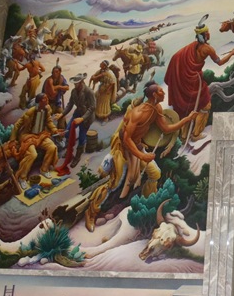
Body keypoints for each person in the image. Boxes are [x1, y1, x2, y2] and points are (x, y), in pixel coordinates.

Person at [84, 81, 197, 231]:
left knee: (155, 173)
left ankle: (146, 204)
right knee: (114, 184)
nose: (164, 93)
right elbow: (126, 138)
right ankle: (91, 213)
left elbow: (165, 128)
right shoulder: (138, 113)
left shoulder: (156, 108)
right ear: (154, 95)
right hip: (123, 150)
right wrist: (142, 156)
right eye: (161, 91)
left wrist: (186, 119)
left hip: (137, 147)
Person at [165, 16, 234, 142]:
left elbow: (176, 57)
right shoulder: (207, 48)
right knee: (206, 105)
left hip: (183, 81)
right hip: (194, 82)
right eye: (207, 32)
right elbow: (220, 62)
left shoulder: (192, 46)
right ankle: (195, 134)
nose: (209, 34)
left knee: (186, 108)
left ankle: (184, 136)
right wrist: (232, 53)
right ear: (205, 35)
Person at [10, 93, 61, 189]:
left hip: (40, 135)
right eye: (45, 99)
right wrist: (12, 140)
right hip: (28, 136)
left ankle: (44, 169)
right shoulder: (30, 112)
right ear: (40, 101)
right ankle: (22, 177)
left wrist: (55, 130)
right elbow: (17, 125)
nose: (47, 99)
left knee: (52, 147)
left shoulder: (47, 110)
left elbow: (49, 122)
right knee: (32, 154)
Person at [55, 73, 96, 170]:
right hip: (78, 113)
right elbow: (70, 104)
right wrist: (62, 114)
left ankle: (78, 155)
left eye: (77, 83)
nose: (75, 85)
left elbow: (92, 107)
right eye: (74, 83)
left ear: (81, 82)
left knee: (82, 136)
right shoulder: (74, 91)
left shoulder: (89, 92)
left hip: (87, 117)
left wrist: (82, 118)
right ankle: (69, 150)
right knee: (68, 131)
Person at [43, 65, 69, 130]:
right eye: (54, 72)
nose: (55, 73)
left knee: (61, 115)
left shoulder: (61, 78)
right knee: (45, 118)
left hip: (57, 103)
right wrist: (59, 87)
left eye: (57, 72)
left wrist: (58, 87)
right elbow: (52, 93)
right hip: (48, 103)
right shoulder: (49, 80)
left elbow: (67, 87)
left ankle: (60, 131)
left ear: (60, 72)